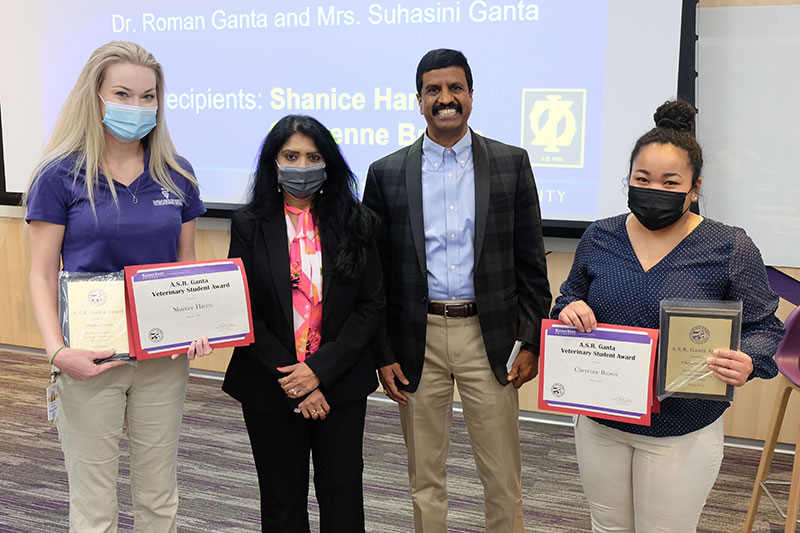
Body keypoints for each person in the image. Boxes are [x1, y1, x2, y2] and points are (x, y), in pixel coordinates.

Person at [552, 100, 785, 532]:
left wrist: (749, 359)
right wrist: (569, 309)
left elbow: (765, 326)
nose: (653, 188)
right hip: (600, 420)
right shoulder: (600, 236)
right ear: (628, 180)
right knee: (607, 527)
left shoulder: (729, 246)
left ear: (694, 187)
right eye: (642, 178)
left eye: (669, 181)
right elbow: (567, 298)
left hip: (682, 428)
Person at [25, 41, 211, 532]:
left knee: (158, 495)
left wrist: (194, 323)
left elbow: (184, 265)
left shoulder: (177, 174)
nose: (137, 106)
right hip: (90, 360)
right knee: (94, 503)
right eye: (123, 93)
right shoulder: (59, 175)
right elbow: (41, 273)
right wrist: (55, 352)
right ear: (96, 95)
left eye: (148, 96)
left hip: (162, 361)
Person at [362, 49, 551, 532]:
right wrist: (383, 352)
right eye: (433, 90)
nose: (445, 99)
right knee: (425, 477)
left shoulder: (511, 164)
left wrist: (530, 341)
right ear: (419, 100)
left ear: (471, 95)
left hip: (488, 338)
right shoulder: (386, 173)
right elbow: (375, 276)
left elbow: (531, 264)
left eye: (455, 89)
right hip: (416, 339)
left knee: (502, 477)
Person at [222, 114, 383, 532]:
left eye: (312, 156)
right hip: (269, 383)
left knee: (343, 497)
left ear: (328, 163)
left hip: (339, 385)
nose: (302, 165)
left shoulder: (357, 222)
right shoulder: (249, 225)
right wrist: (295, 381)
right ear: (273, 163)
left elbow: (369, 306)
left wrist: (318, 373)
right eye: (291, 155)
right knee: (281, 501)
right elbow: (242, 309)